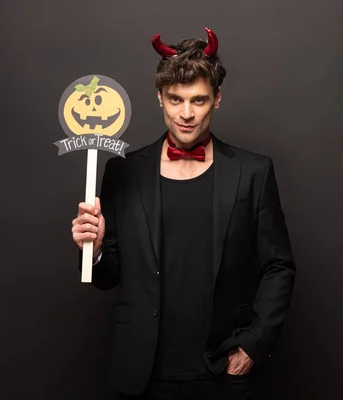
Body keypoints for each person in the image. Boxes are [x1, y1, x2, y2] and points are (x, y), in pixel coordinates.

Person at [71, 28, 296, 400]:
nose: (186, 114)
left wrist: (254, 346)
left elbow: (278, 267)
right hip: (142, 371)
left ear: (218, 99)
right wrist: (93, 250)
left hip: (222, 370)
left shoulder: (253, 172)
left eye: (199, 100)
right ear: (159, 98)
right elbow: (108, 276)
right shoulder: (123, 172)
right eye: (175, 99)